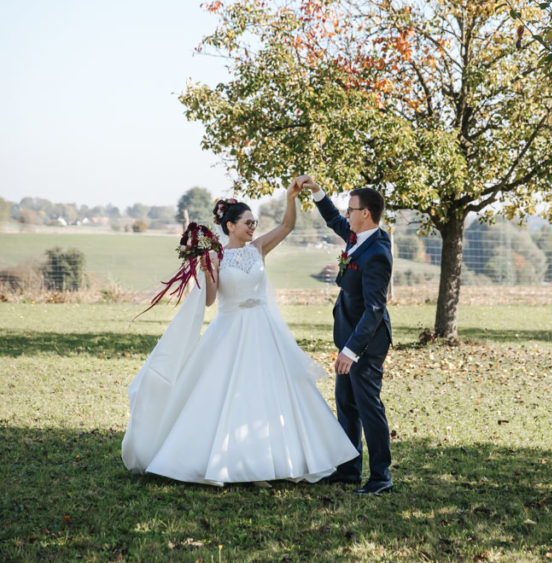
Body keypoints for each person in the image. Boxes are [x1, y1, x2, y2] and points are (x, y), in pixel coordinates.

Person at [121, 180, 357, 486]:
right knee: (231, 395)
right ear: (230, 226)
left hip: (264, 330)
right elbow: (208, 301)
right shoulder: (217, 257)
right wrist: (206, 271)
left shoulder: (258, 248)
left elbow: (287, 226)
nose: (252, 228)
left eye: (254, 222)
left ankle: (274, 463)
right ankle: (238, 464)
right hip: (230, 331)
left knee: (270, 393)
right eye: (247, 223)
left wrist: (290, 198)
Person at [296, 177, 393, 494]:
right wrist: (317, 192)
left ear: (366, 213)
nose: (346, 214)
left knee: (368, 406)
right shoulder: (357, 237)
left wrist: (351, 351)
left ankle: (380, 476)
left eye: (351, 209)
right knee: (347, 405)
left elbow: (375, 308)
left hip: (366, 343)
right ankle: (349, 469)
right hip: (348, 336)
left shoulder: (377, 252)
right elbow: (334, 220)